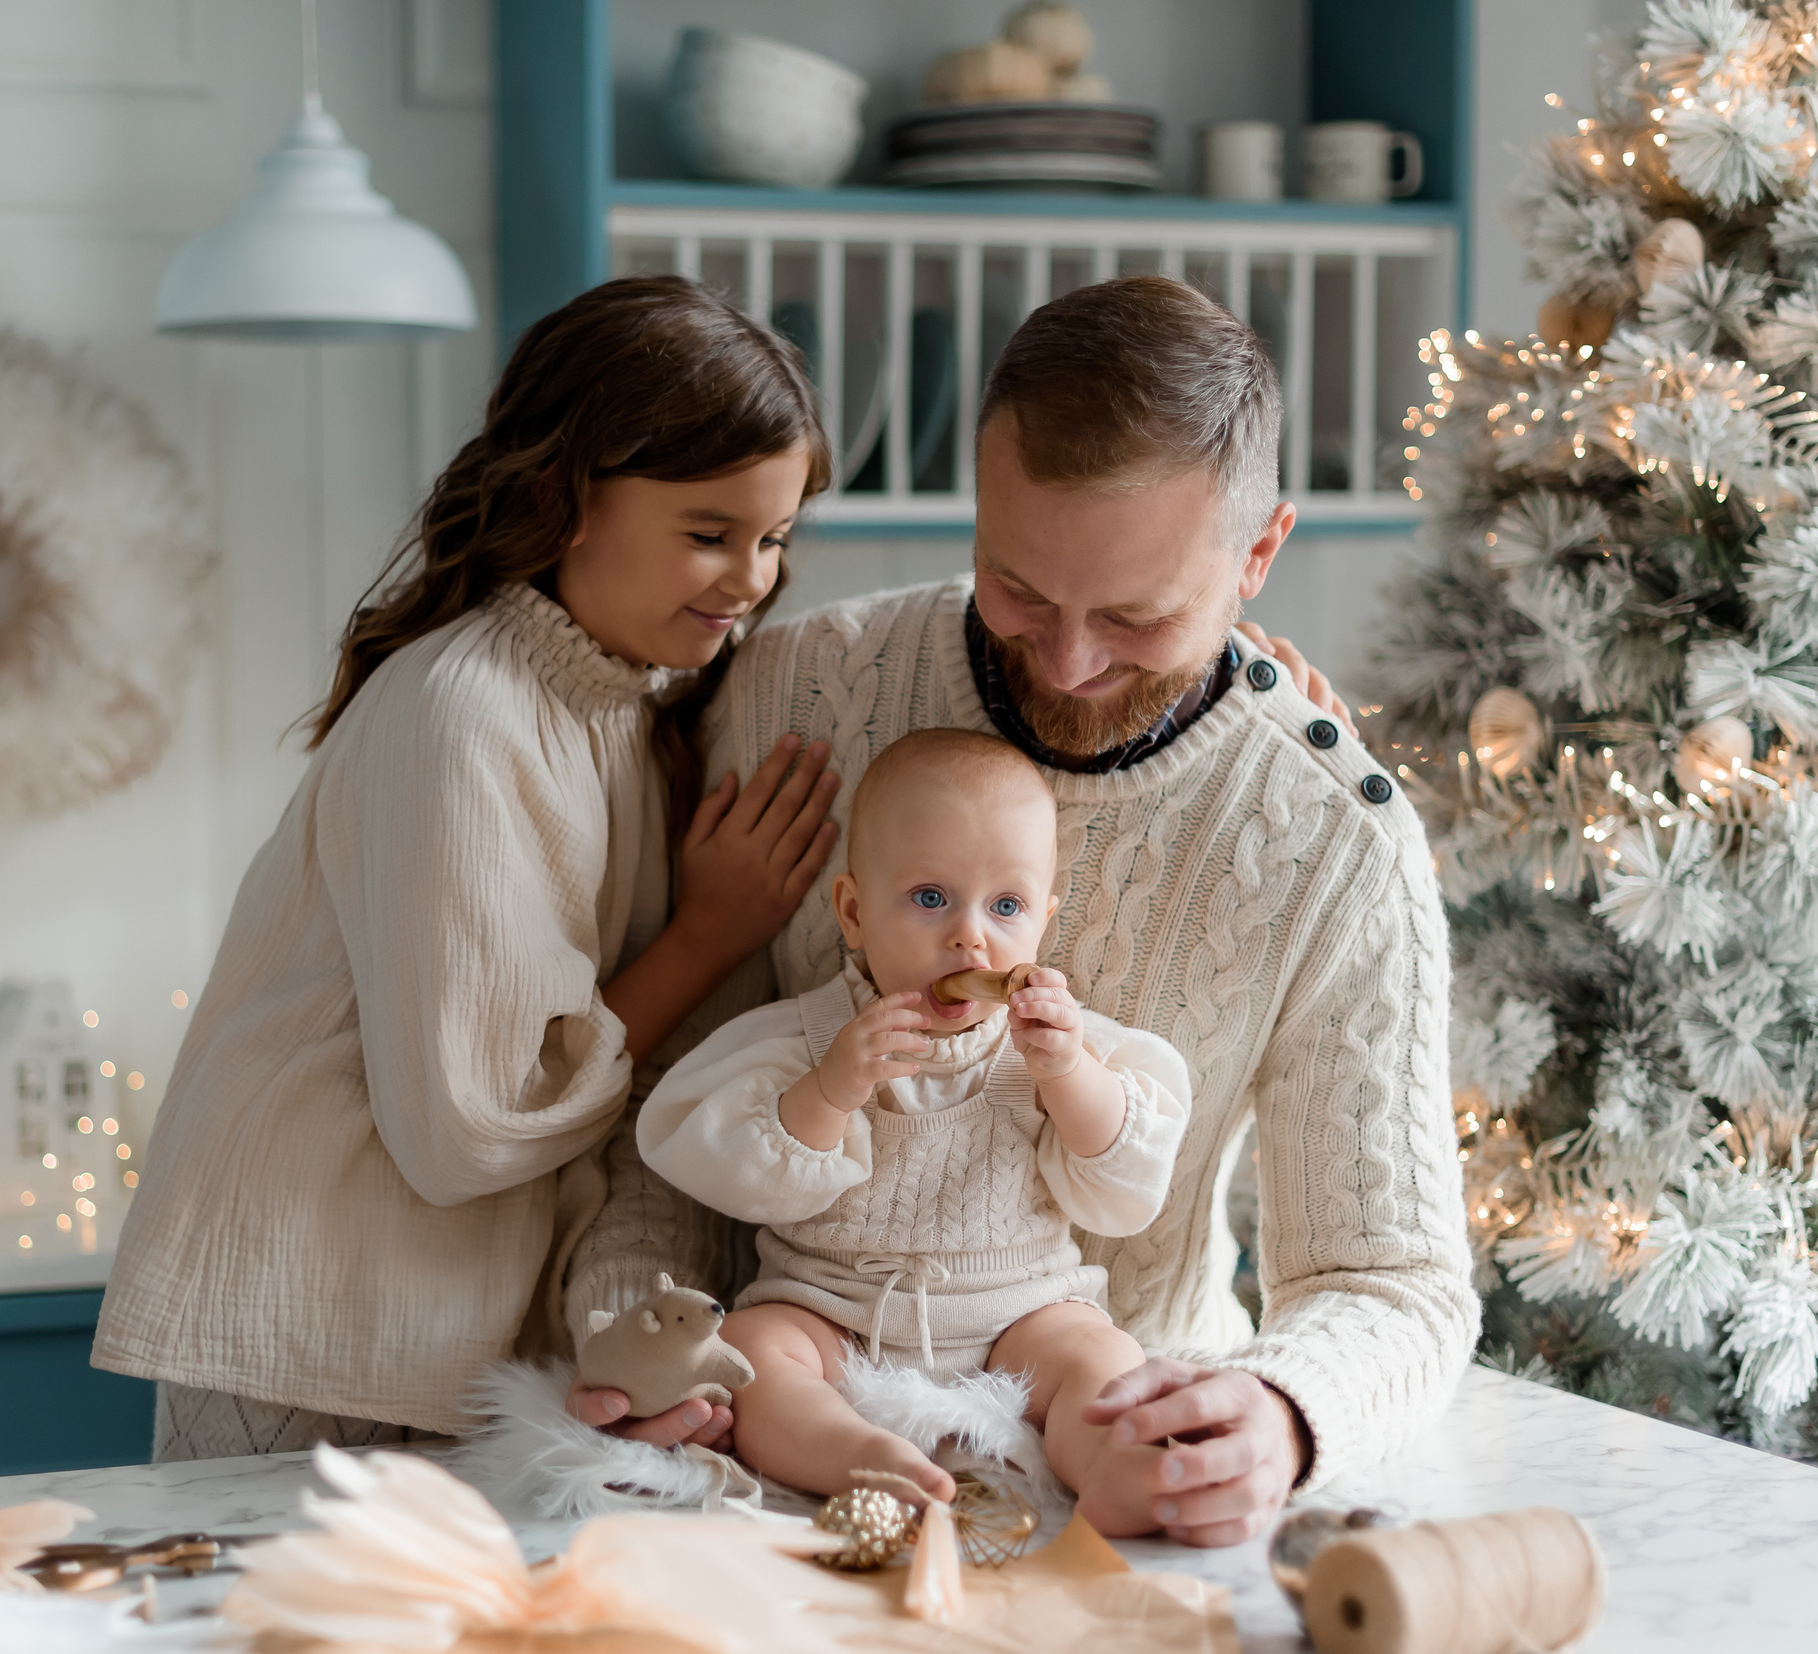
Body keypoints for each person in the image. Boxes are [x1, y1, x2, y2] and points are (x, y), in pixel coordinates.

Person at [567, 275, 1475, 1546]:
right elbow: (663, 1106)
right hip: (760, 1463)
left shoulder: (1336, 841)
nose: (1065, 661)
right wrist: (639, 1329)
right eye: (1018, 587)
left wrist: (1274, 1411)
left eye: (1137, 614)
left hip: (1120, 1450)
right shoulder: (793, 693)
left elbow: (1393, 1279)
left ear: (1258, 553)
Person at [92, 277, 842, 1457]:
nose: (750, 579)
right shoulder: (464, 714)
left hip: (434, 1330)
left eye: (776, 537)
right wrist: (705, 936)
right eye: (709, 534)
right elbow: (464, 1132)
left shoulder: (629, 702)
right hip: (313, 1323)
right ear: (566, 497)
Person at [635, 728, 1193, 1530]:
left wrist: (1069, 1076)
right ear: (855, 912)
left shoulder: (1057, 1045)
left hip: (1020, 1315)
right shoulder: (808, 1037)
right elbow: (714, 1158)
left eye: (1006, 906)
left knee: (1102, 1356)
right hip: (834, 1310)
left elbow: (1125, 1188)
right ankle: (859, 1455)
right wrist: (832, 1089)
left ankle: (1113, 1465)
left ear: (1043, 920)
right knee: (752, 1351)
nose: (970, 937)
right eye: (931, 898)